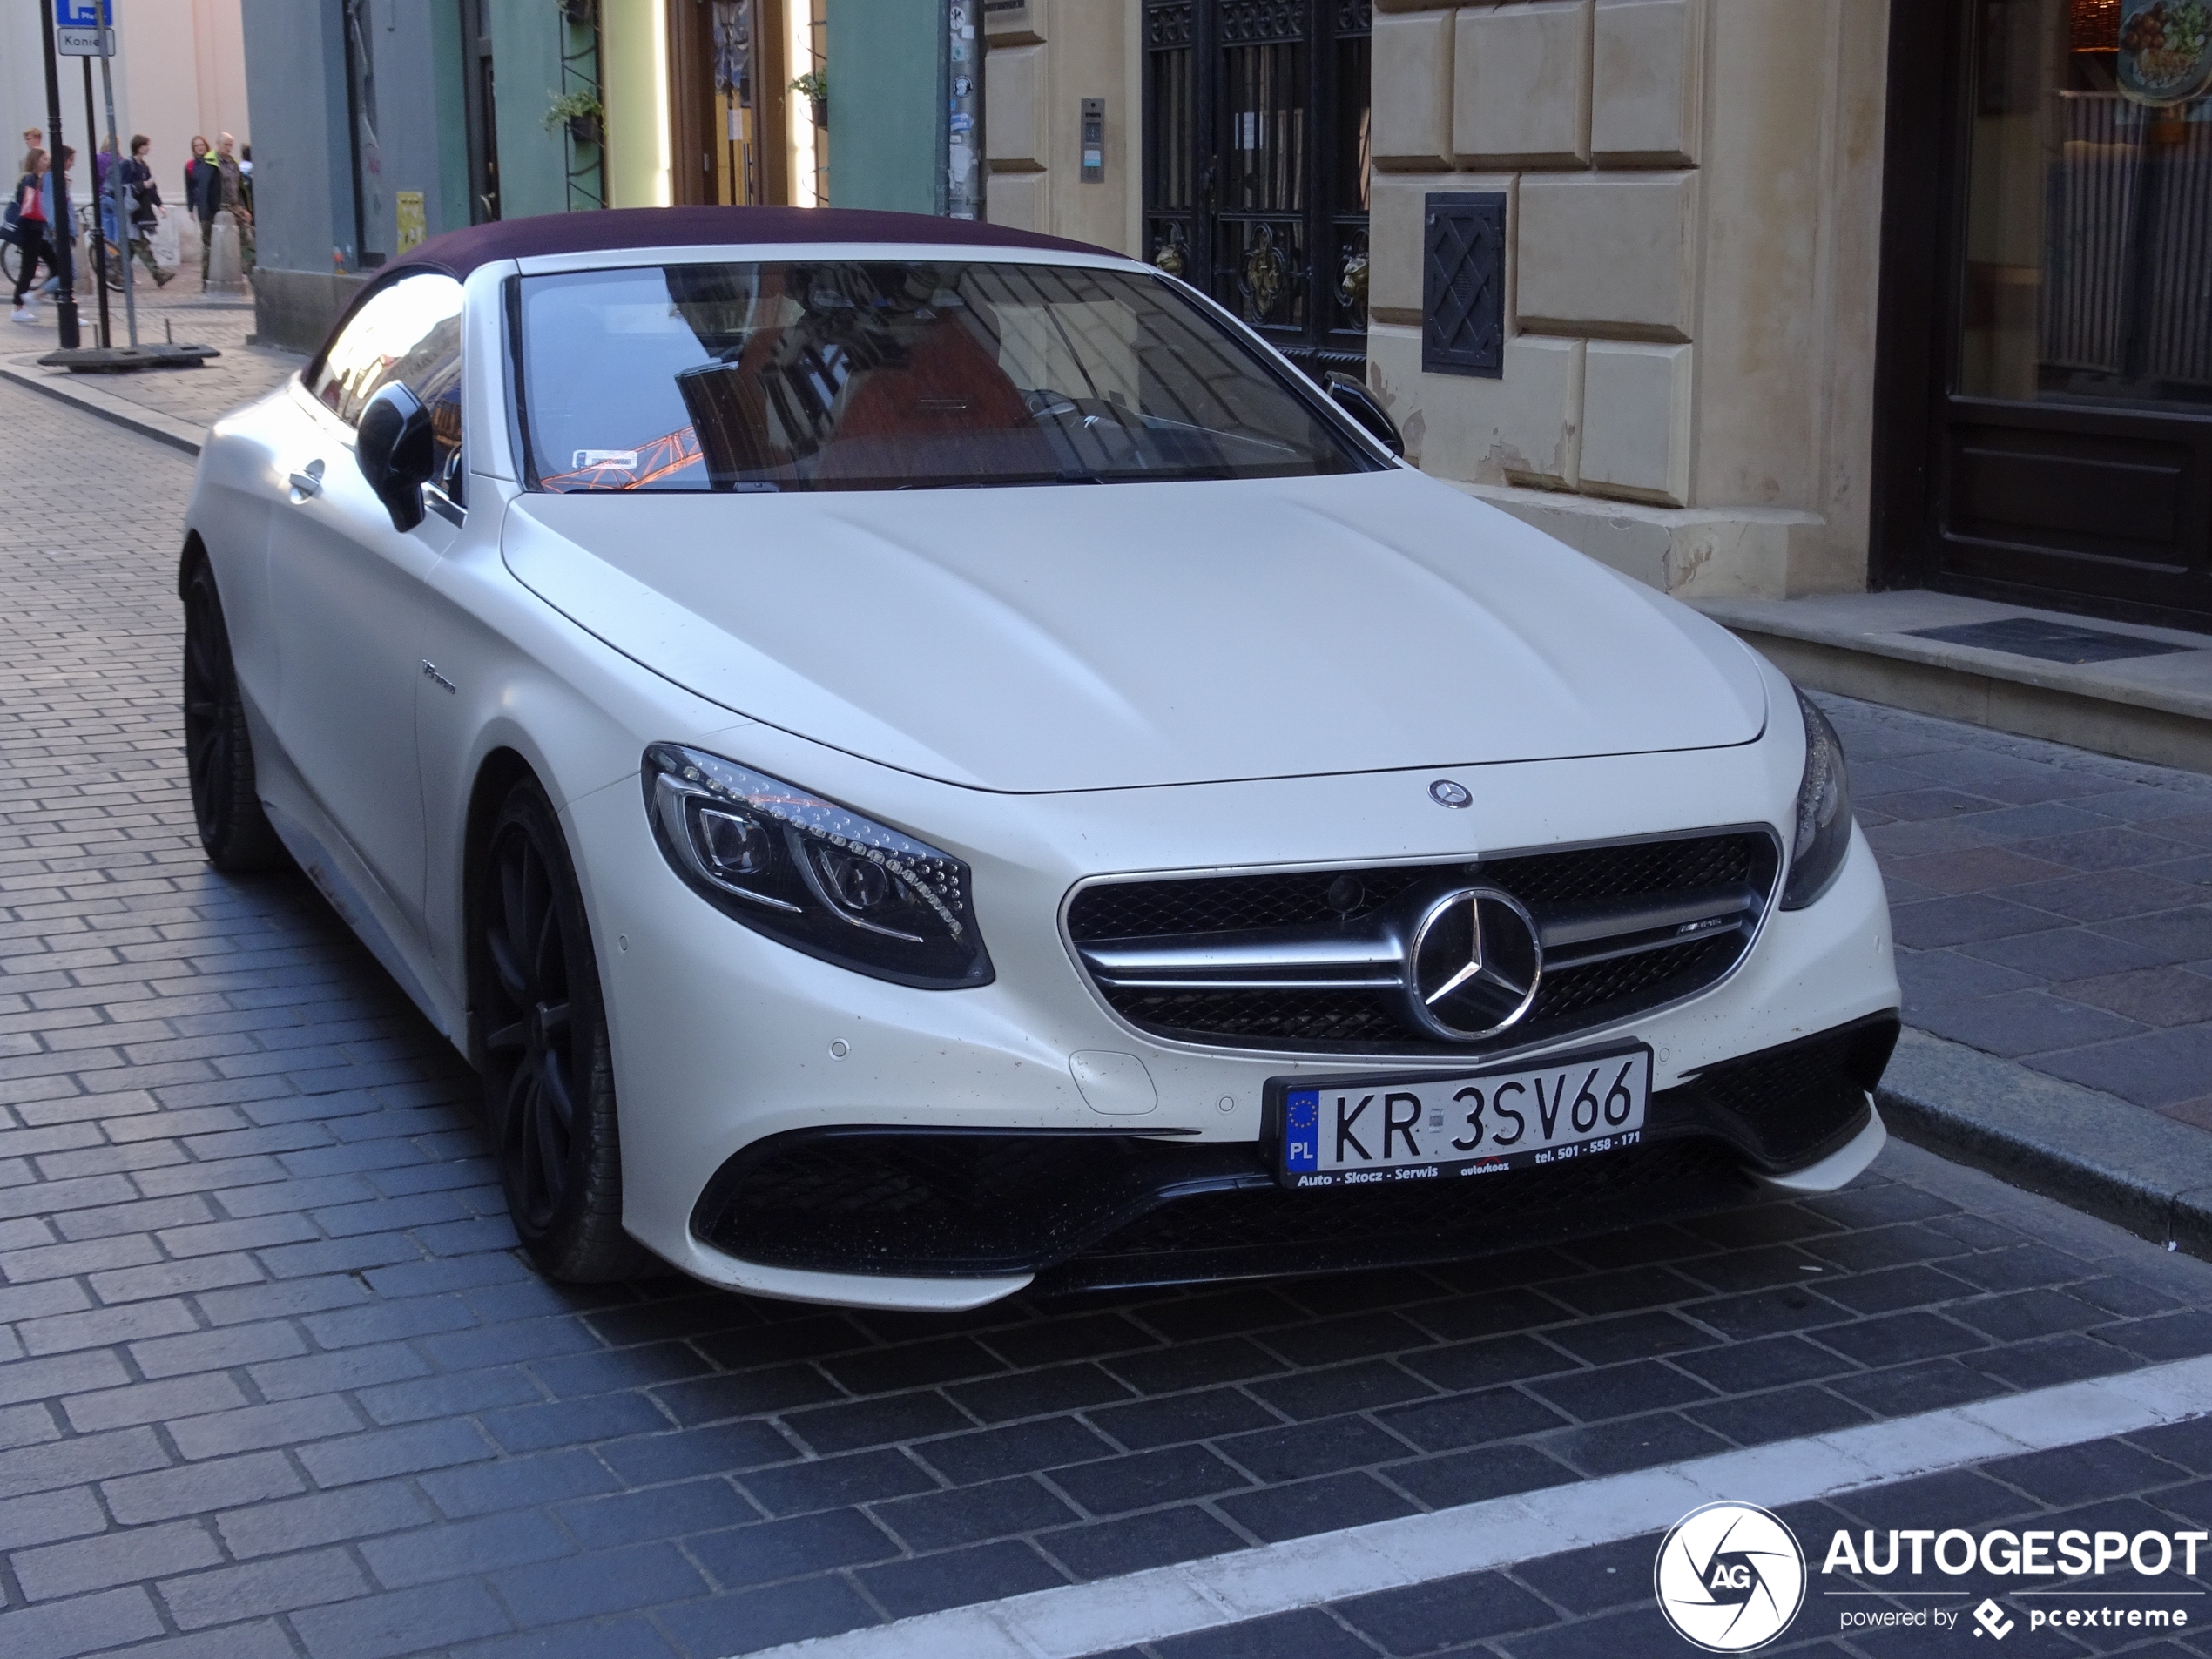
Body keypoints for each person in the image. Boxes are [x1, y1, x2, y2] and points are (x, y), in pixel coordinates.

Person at [119, 134, 169, 287]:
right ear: (138, 147)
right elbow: (123, 186)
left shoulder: (144, 166)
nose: (148, 148)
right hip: (131, 210)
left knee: (130, 246)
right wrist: (141, 185)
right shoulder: (128, 165)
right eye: (146, 145)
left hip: (142, 209)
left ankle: (113, 270)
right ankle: (158, 274)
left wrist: (159, 204)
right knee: (140, 243)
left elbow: (152, 188)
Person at [11, 149, 53, 322]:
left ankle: (39, 297)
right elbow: (29, 204)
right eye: (44, 159)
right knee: (28, 269)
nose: (47, 161)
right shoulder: (30, 179)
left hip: (37, 229)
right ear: (36, 161)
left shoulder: (36, 179)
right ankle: (18, 307)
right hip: (31, 229)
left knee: (56, 265)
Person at [214, 132, 252, 273]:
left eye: (231, 145)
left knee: (246, 241)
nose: (228, 148)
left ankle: (250, 274)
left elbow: (240, 187)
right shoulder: (212, 163)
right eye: (226, 145)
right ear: (218, 144)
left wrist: (244, 208)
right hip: (220, 207)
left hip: (235, 206)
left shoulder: (233, 163)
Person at [185, 135, 219, 283]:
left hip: (217, 207)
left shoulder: (214, 162)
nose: (200, 147)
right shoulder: (191, 166)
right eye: (197, 145)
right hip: (203, 208)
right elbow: (189, 188)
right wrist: (190, 208)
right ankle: (206, 277)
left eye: (202, 145)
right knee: (207, 242)